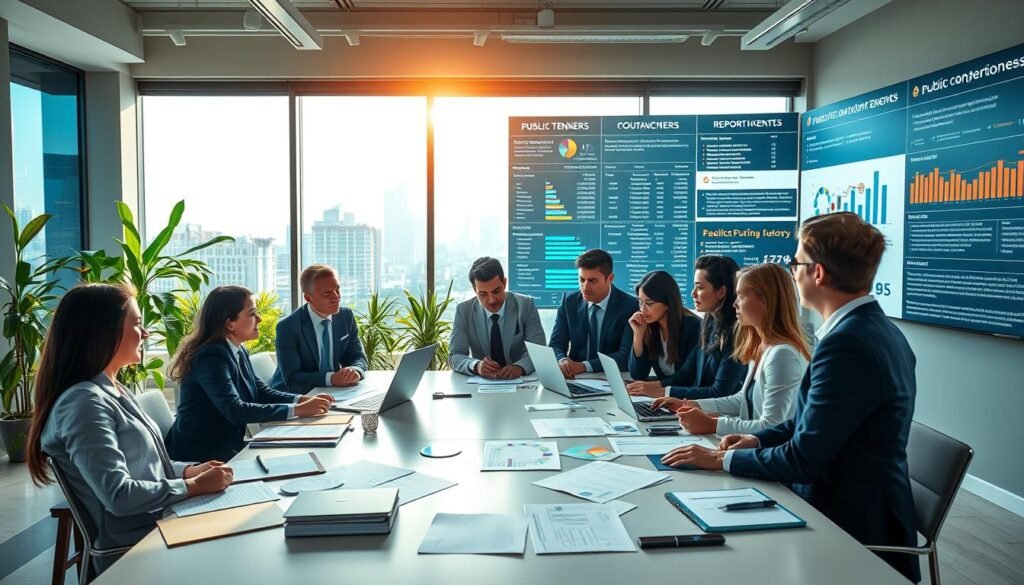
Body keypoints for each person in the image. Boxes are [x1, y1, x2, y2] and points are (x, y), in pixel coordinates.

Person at [659, 212, 920, 583]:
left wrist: (723, 459)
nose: (793, 272)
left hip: (847, 527)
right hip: (849, 506)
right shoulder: (874, 330)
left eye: (796, 262)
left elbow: (804, 458)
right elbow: (805, 424)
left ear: (818, 273)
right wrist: (758, 439)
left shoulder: (848, 343)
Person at [26, 284, 233, 575]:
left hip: (162, 525)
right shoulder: (83, 403)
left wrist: (188, 471)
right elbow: (119, 496)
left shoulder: (112, 387)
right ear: (103, 332)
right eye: (137, 324)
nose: (145, 333)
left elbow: (144, 467)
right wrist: (192, 487)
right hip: (138, 548)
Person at [165, 286, 333, 462]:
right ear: (229, 323)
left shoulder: (236, 349)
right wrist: (298, 410)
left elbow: (260, 391)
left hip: (227, 447)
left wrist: (300, 400)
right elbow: (235, 410)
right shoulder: (211, 357)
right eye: (252, 313)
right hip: (200, 457)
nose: (259, 319)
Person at [652, 263, 810, 436]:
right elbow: (741, 400)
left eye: (741, 296)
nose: (735, 303)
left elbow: (772, 426)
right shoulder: (761, 347)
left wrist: (712, 425)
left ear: (766, 299)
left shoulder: (783, 355)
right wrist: (691, 404)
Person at [627, 255, 745, 400]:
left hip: (721, 415)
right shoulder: (709, 321)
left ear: (721, 292)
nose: (693, 293)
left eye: (700, 287)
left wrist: (664, 392)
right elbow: (686, 373)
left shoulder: (736, 332)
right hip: (700, 408)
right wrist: (652, 387)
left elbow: (720, 392)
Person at [270, 264, 368, 394]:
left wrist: (355, 370)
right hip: (295, 397)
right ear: (308, 298)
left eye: (337, 290)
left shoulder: (345, 316)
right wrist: (331, 379)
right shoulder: (287, 327)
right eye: (327, 294)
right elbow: (293, 380)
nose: (336, 297)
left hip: (333, 393)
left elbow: (357, 356)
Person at [448, 257, 546, 377]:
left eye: (496, 291)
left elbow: (540, 352)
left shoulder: (526, 305)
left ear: (504, 283)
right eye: (483, 294)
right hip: (482, 385)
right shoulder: (463, 311)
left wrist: (520, 367)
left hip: (521, 382)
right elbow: (455, 355)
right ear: (475, 290)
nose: (492, 300)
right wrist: (476, 366)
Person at [548, 249, 637, 377]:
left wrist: (584, 366)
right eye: (582, 280)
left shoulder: (630, 306)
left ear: (610, 278)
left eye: (592, 281)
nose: (585, 287)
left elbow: (625, 356)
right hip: (575, 377)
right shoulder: (569, 302)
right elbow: (556, 345)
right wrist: (562, 360)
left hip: (612, 378)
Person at [626, 270, 701, 386]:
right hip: (663, 395)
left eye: (649, 303)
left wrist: (654, 386)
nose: (642, 310)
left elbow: (687, 377)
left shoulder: (692, 327)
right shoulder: (650, 327)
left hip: (685, 397)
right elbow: (637, 374)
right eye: (640, 303)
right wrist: (638, 335)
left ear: (667, 302)